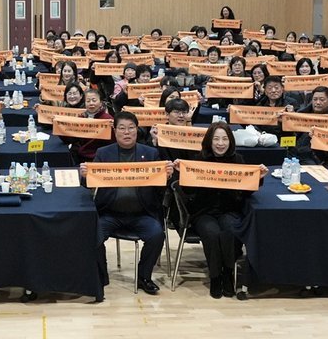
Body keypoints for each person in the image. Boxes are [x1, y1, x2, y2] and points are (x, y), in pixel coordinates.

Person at [80, 112, 175, 296]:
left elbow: (160, 187)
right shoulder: (103, 153)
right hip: (110, 213)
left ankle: (144, 276)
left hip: (142, 213)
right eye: (122, 128)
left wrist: (168, 176)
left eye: (131, 128)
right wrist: (84, 176)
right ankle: (101, 275)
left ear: (137, 130)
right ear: (115, 130)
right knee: (93, 235)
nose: (127, 132)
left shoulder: (151, 153)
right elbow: (89, 184)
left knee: (157, 235)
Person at [177, 122, 267, 299]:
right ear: (209, 141)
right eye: (216, 139)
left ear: (230, 141)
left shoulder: (238, 160)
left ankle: (228, 273)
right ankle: (215, 277)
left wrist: (258, 179)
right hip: (203, 212)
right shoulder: (198, 160)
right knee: (212, 234)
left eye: (224, 139)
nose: (220, 143)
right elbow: (188, 191)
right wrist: (182, 175)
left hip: (229, 210)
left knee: (230, 232)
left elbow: (245, 191)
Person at [67, 85, 113, 164]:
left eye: (94, 100)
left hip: (99, 158)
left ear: (100, 103)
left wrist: (114, 128)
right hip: (80, 157)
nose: (91, 103)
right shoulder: (81, 118)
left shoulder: (108, 119)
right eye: (88, 101)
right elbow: (71, 139)